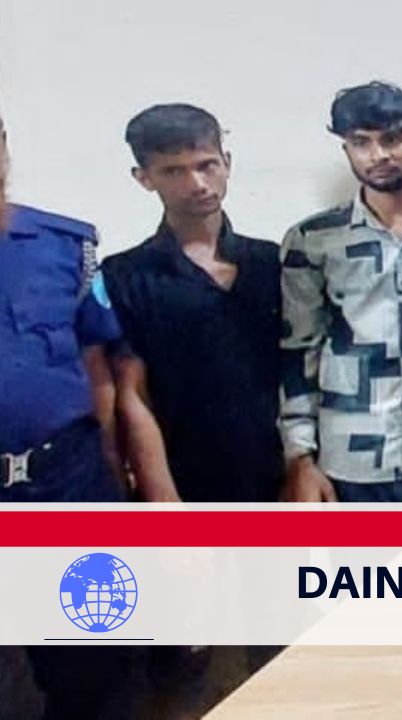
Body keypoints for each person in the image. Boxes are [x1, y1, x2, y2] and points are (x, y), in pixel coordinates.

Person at [280, 81, 402, 502]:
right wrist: (300, 457)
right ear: (346, 149)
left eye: (392, 139)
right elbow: (299, 351)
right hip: (349, 462)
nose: (378, 155)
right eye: (361, 142)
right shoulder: (314, 239)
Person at [0, 111, 135, 718]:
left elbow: (98, 365)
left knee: (92, 665)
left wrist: (114, 468)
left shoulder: (64, 246)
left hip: (67, 480)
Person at [104, 103, 283, 504]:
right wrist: (165, 502)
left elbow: (302, 375)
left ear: (227, 163)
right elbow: (133, 396)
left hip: (279, 479)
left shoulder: (274, 262)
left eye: (207, 165)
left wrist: (302, 467)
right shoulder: (125, 275)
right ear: (143, 177)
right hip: (182, 482)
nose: (197, 183)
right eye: (174, 171)